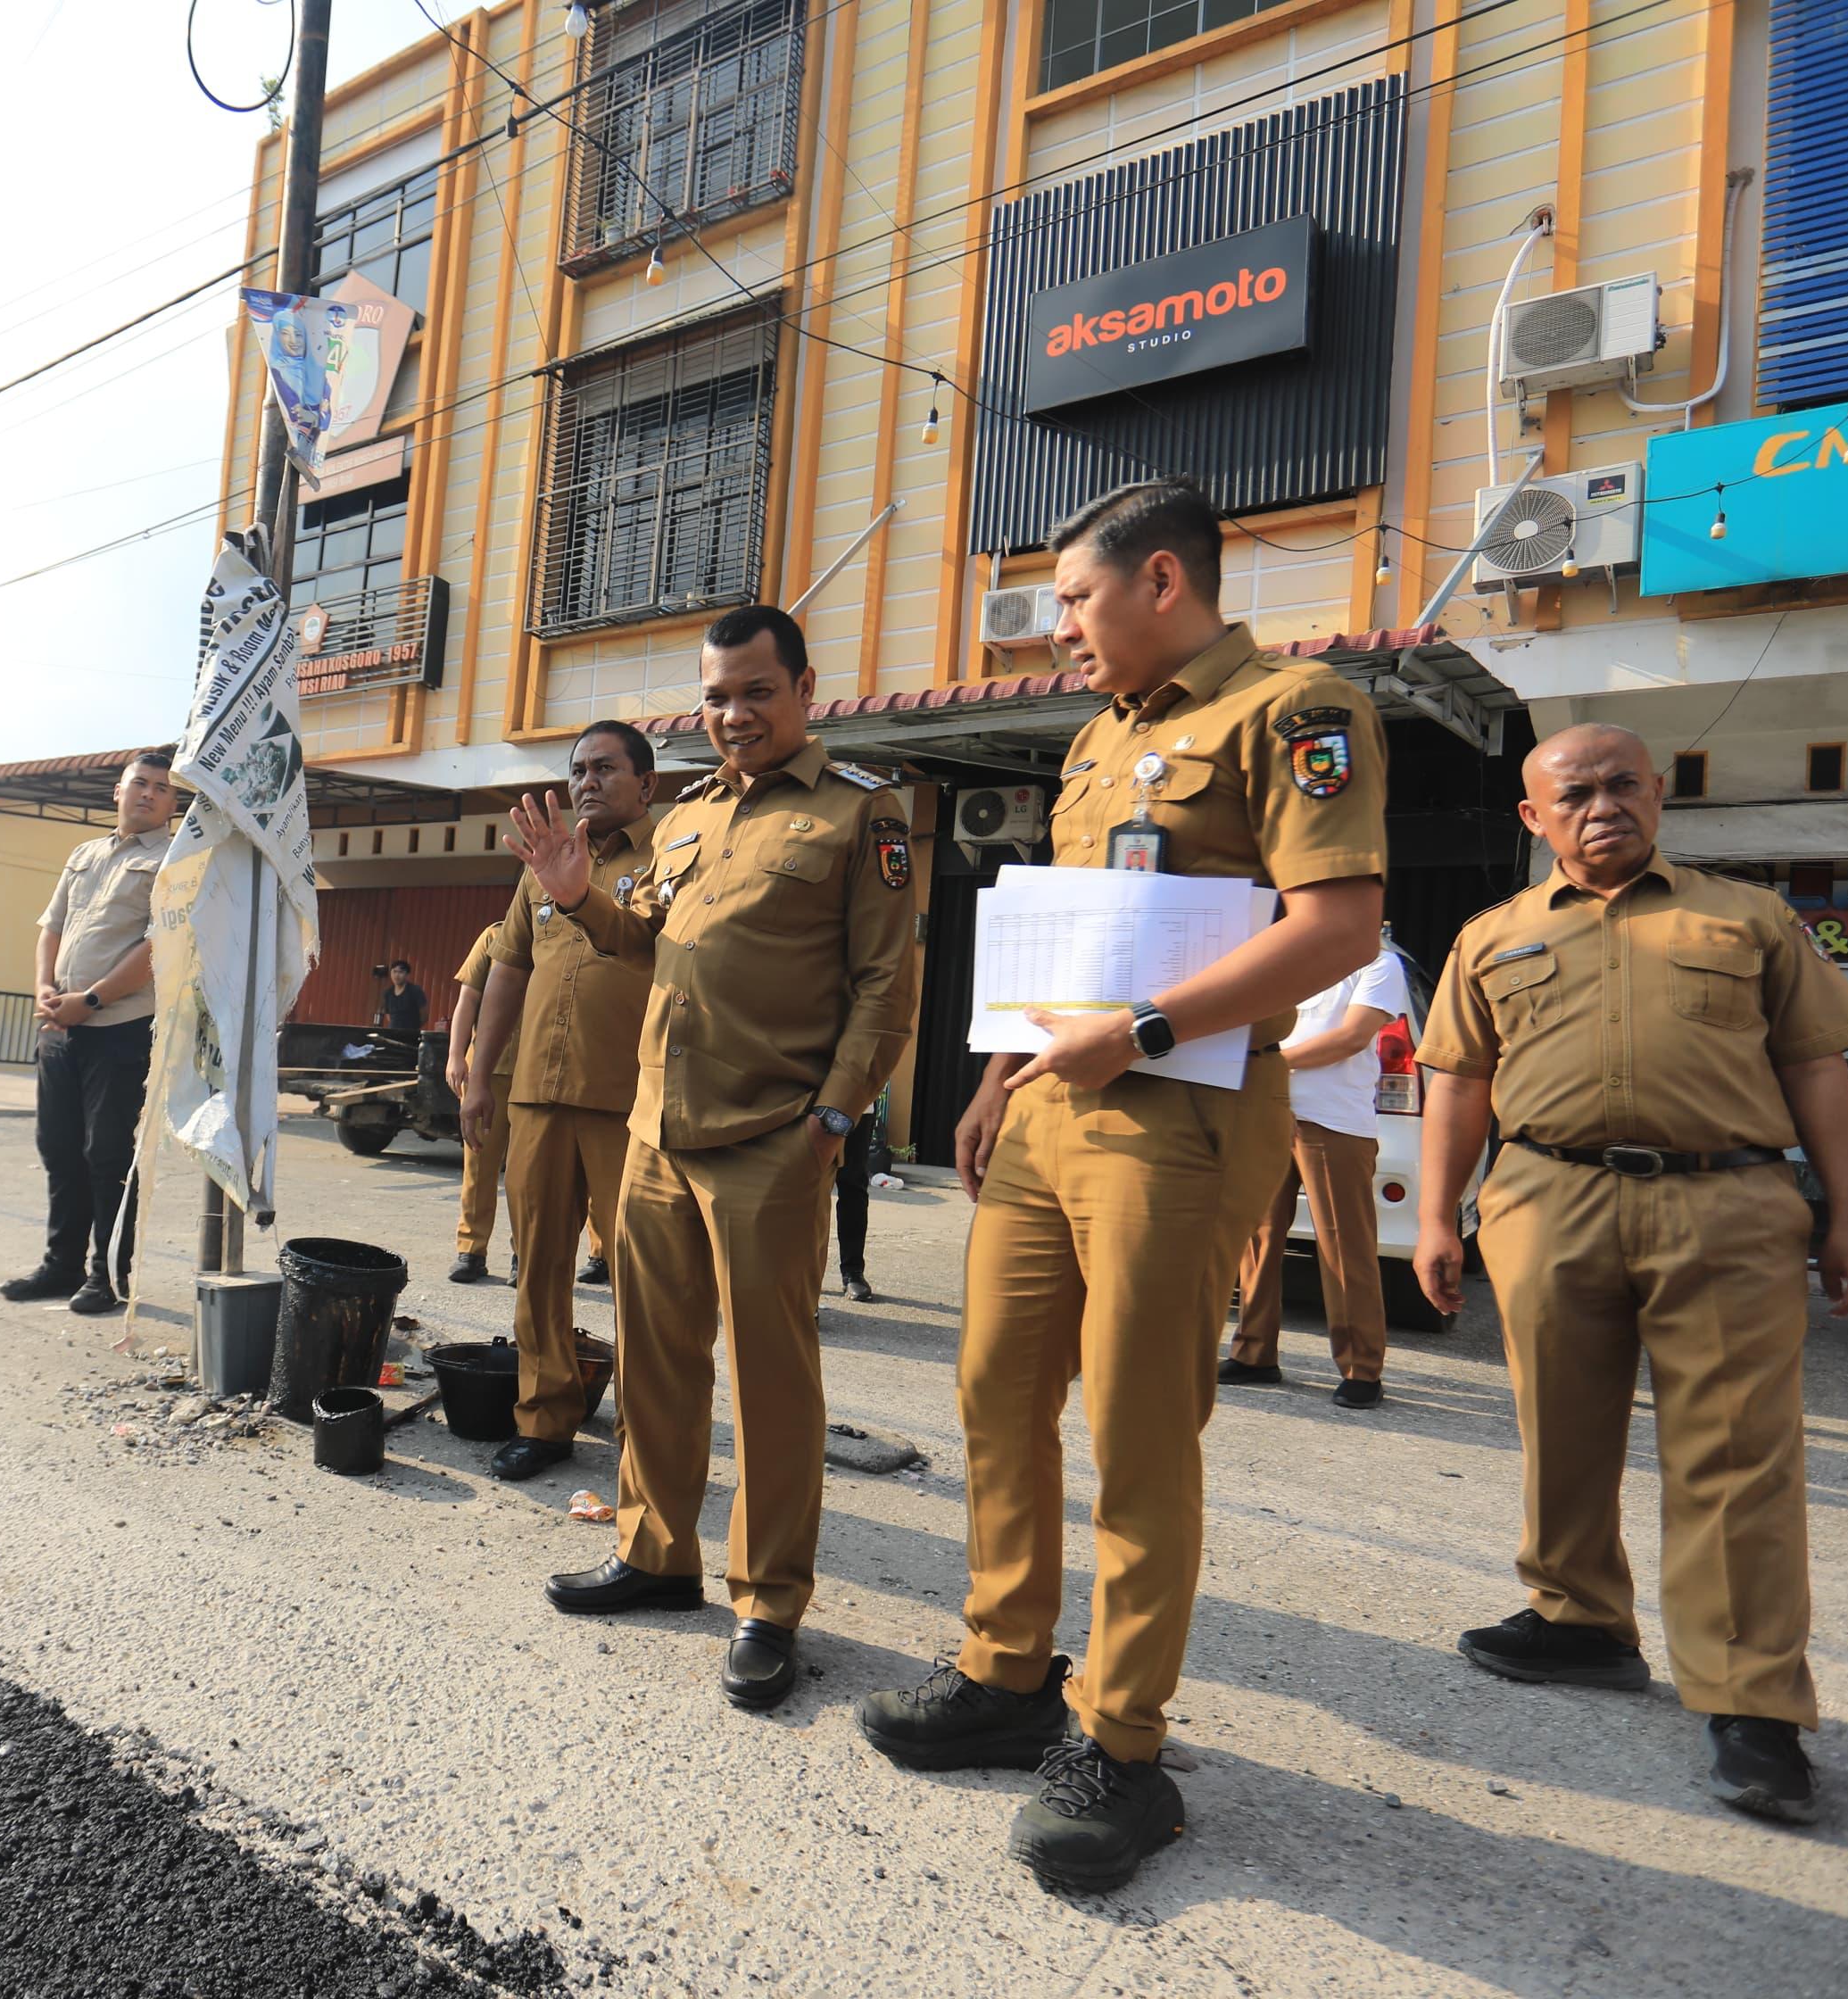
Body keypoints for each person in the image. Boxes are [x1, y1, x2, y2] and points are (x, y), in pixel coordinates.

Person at [856, 478, 1388, 1895]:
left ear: (1164, 580)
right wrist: (992, 1078)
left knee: (1140, 1433)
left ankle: (1124, 1747)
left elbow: (1339, 928)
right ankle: (1007, 1669)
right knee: (994, 1394)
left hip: (1181, 1115)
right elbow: (1072, 941)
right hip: (1052, 1104)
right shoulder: (1099, 737)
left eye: (1077, 601)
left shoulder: (1296, 711)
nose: (1061, 632)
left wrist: (1144, 1032)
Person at [1413, 722, 1848, 1826]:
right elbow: (1458, 1083)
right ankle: (1578, 1619)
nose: (1601, 805)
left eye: (1622, 783)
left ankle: (1754, 1699)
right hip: (1548, 1196)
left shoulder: (1747, 918)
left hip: (1724, 1201)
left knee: (1735, 1452)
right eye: (1572, 793)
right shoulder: (1492, 935)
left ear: (1659, 795)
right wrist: (1439, 1215)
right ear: (1534, 818)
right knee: (1561, 1425)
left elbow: (1818, 1072)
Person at [508, 605, 916, 1714]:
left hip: (769, 1141)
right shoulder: (686, 821)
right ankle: (654, 1552)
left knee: (775, 1384)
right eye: (717, 696)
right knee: (654, 1361)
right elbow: (644, 941)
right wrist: (577, 897)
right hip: (655, 1134)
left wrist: (832, 1123)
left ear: (803, 689)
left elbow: (886, 984)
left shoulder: (858, 815)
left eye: (755, 691)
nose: (734, 714)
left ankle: (768, 1603)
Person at [462, 720, 661, 1478]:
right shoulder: (539, 865)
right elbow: (507, 969)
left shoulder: (671, 857)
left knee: (644, 1278)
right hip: (539, 1099)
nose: (586, 781)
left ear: (646, 784)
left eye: (606, 769)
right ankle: (545, 1419)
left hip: (631, 1104)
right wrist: (481, 1076)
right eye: (578, 768)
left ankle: (645, 1433)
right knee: (538, 1266)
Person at [0, 751, 173, 1316]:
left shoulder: (176, 860)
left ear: (174, 804)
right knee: (58, 1147)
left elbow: (158, 947)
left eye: (161, 789)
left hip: (120, 1027)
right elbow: (51, 928)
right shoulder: (84, 854)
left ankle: (109, 1276)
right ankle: (60, 1266)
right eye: (139, 784)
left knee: (107, 1154)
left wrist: (92, 999)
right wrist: (43, 990)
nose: (147, 794)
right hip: (60, 1027)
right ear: (117, 792)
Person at [1221, 932, 1413, 1406]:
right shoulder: (1291, 959)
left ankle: (1362, 1368)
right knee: (1259, 1238)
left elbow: (1351, 1037)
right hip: (1268, 1111)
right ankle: (1254, 1353)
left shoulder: (1379, 964)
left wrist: (1269, 1064)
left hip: (1333, 1121)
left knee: (1343, 1245)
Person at [443, 925, 515, 1286]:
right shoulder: (494, 937)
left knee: (530, 1175)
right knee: (479, 1165)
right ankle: (471, 1250)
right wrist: (456, 1055)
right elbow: (467, 1000)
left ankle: (526, 1253)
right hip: (488, 1074)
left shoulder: (562, 934)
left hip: (540, 1073)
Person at [831, 1090, 891, 1303]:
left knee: (853, 1185)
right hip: (806, 1101)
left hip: (857, 1103)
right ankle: (799, 1277)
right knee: (806, 1191)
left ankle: (853, 1272)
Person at [376, 958, 427, 1041]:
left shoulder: (415, 991)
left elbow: (424, 1014)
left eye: (400, 972)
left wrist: (414, 1027)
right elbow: (388, 1015)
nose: (397, 975)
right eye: (394, 972)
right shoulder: (388, 993)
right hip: (392, 1034)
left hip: (411, 1035)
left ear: (407, 975)